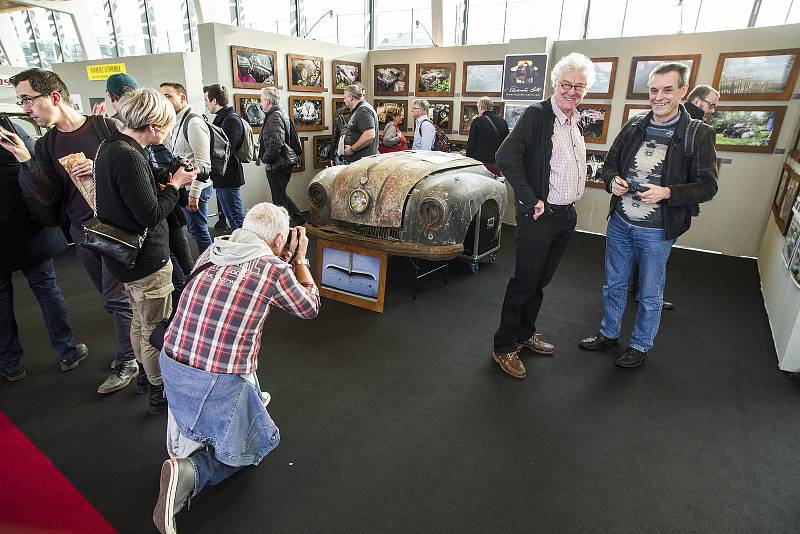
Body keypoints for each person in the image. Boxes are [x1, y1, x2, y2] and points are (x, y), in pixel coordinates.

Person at [153, 203, 320, 533]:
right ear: (278, 239)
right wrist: (299, 260)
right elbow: (309, 307)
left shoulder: (211, 252)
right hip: (214, 383)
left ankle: (244, 403)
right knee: (261, 444)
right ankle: (192, 473)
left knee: (234, 344)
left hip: (170, 368)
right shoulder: (274, 269)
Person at [3, 68, 138, 394]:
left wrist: (99, 169)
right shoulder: (47, 143)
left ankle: (128, 360)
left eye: (27, 100)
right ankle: (135, 350)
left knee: (116, 297)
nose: (25, 109)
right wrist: (26, 160)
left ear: (53, 96)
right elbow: (48, 196)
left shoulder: (106, 127)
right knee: (113, 300)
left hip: (118, 228)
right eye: (21, 102)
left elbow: (139, 172)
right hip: (82, 231)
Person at [579, 62, 718, 368]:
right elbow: (610, 164)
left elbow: (708, 187)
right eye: (654, 90)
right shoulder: (634, 126)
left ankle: (640, 345)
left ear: (683, 91)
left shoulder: (699, 133)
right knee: (613, 284)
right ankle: (609, 333)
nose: (659, 97)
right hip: (620, 222)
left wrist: (668, 192)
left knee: (649, 293)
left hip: (656, 231)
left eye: (667, 90)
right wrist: (613, 181)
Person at [490, 53, 596, 380]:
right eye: (567, 84)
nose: (572, 91)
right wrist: (528, 197)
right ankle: (504, 346)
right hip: (540, 215)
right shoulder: (537, 115)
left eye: (579, 86)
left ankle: (525, 334)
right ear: (555, 83)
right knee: (524, 282)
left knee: (541, 282)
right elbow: (506, 156)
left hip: (565, 216)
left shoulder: (575, 120)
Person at [94, 88, 197, 412]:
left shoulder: (111, 146)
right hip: (146, 260)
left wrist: (162, 179)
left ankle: (144, 377)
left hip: (125, 260)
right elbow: (151, 214)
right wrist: (177, 185)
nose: (167, 131)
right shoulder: (128, 155)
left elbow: (134, 194)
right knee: (154, 328)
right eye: (165, 125)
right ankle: (159, 389)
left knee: (140, 322)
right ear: (152, 125)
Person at [0, 117, 87, 381]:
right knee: (47, 290)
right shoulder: (10, 130)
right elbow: (35, 167)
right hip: (30, 229)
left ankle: (10, 363)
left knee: (1, 302)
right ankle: (67, 352)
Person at [160, 82, 214, 254]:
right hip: (186, 187)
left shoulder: (193, 122)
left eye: (168, 96)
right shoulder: (177, 121)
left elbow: (203, 164)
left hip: (196, 188)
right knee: (195, 230)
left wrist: (194, 195)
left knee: (199, 231)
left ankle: (210, 267)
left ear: (182, 98)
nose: (164, 101)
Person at [258, 87, 304, 226]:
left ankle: (284, 227)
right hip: (282, 162)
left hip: (278, 164)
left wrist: (266, 159)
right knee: (281, 195)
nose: (260, 103)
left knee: (279, 198)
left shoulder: (275, 116)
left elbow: (276, 143)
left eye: (261, 100)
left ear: (267, 101)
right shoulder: (279, 114)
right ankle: (297, 218)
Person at [203, 83, 245, 230]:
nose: (206, 104)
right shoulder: (223, 119)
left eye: (207, 100)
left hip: (229, 176)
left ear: (214, 101)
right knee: (231, 216)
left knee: (237, 217)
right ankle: (238, 247)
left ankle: (247, 249)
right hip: (222, 177)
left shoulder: (231, 120)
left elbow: (226, 150)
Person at [466, 96, 509, 176]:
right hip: (497, 164)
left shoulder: (477, 122)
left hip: (481, 164)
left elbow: (471, 144)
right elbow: (506, 144)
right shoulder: (503, 122)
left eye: (478, 107)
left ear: (481, 107)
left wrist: (469, 161)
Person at [340, 84, 378, 163]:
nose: (344, 101)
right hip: (360, 162)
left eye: (345, 97)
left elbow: (370, 135)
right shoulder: (361, 109)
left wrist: (352, 148)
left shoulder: (363, 110)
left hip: (360, 163)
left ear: (350, 97)